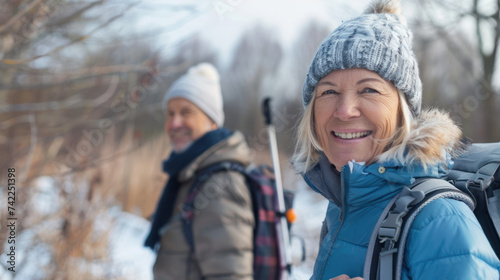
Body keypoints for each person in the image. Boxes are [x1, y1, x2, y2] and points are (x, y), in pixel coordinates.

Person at [291, 0, 500, 279]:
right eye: (328, 92)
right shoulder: (345, 204)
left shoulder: (439, 220)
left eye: (369, 90)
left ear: (403, 112)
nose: (344, 111)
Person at [144, 63, 254, 280]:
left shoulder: (220, 184)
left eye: (186, 113)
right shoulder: (188, 174)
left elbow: (232, 274)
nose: (175, 123)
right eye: (170, 113)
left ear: (212, 122)